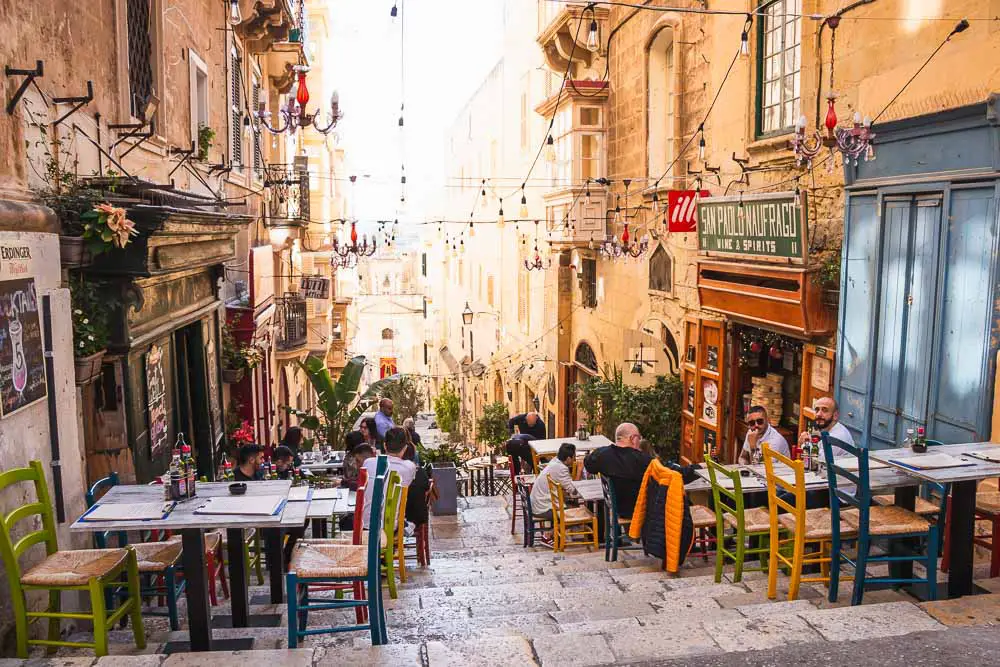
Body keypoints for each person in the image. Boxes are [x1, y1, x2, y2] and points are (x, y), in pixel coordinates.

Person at [583, 423, 653, 519]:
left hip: (615, 508)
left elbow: (588, 465)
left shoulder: (602, 454)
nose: (639, 441)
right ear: (632, 438)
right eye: (639, 438)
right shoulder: (642, 460)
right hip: (636, 513)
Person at [361, 427, 417, 528]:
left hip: (366, 526)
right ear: (405, 448)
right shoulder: (409, 467)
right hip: (390, 527)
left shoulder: (368, 463)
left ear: (385, 445)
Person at [530, 443, 580, 542]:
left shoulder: (555, 461)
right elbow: (574, 491)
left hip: (538, 502)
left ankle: (559, 534)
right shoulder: (561, 468)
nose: (575, 459)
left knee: (574, 506)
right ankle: (549, 534)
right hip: (543, 507)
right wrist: (579, 470)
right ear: (569, 458)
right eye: (574, 457)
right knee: (577, 517)